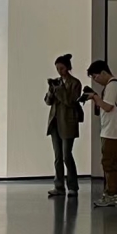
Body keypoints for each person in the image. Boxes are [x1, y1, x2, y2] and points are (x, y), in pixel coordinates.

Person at [87, 59, 117, 208]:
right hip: (114, 130)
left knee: (109, 162)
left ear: (104, 72)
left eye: (95, 76)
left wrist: (95, 97)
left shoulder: (112, 86)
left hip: (113, 131)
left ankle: (111, 194)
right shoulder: (114, 85)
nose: (95, 80)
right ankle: (116, 194)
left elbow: (108, 107)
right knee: (114, 162)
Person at [45, 54, 83, 199]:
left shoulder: (75, 83)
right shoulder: (57, 82)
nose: (59, 71)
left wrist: (59, 90)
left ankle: (73, 187)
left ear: (67, 67)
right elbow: (48, 102)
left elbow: (71, 102)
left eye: (61, 68)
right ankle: (59, 186)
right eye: (57, 68)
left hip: (68, 122)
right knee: (58, 157)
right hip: (55, 122)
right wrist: (51, 89)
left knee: (67, 155)